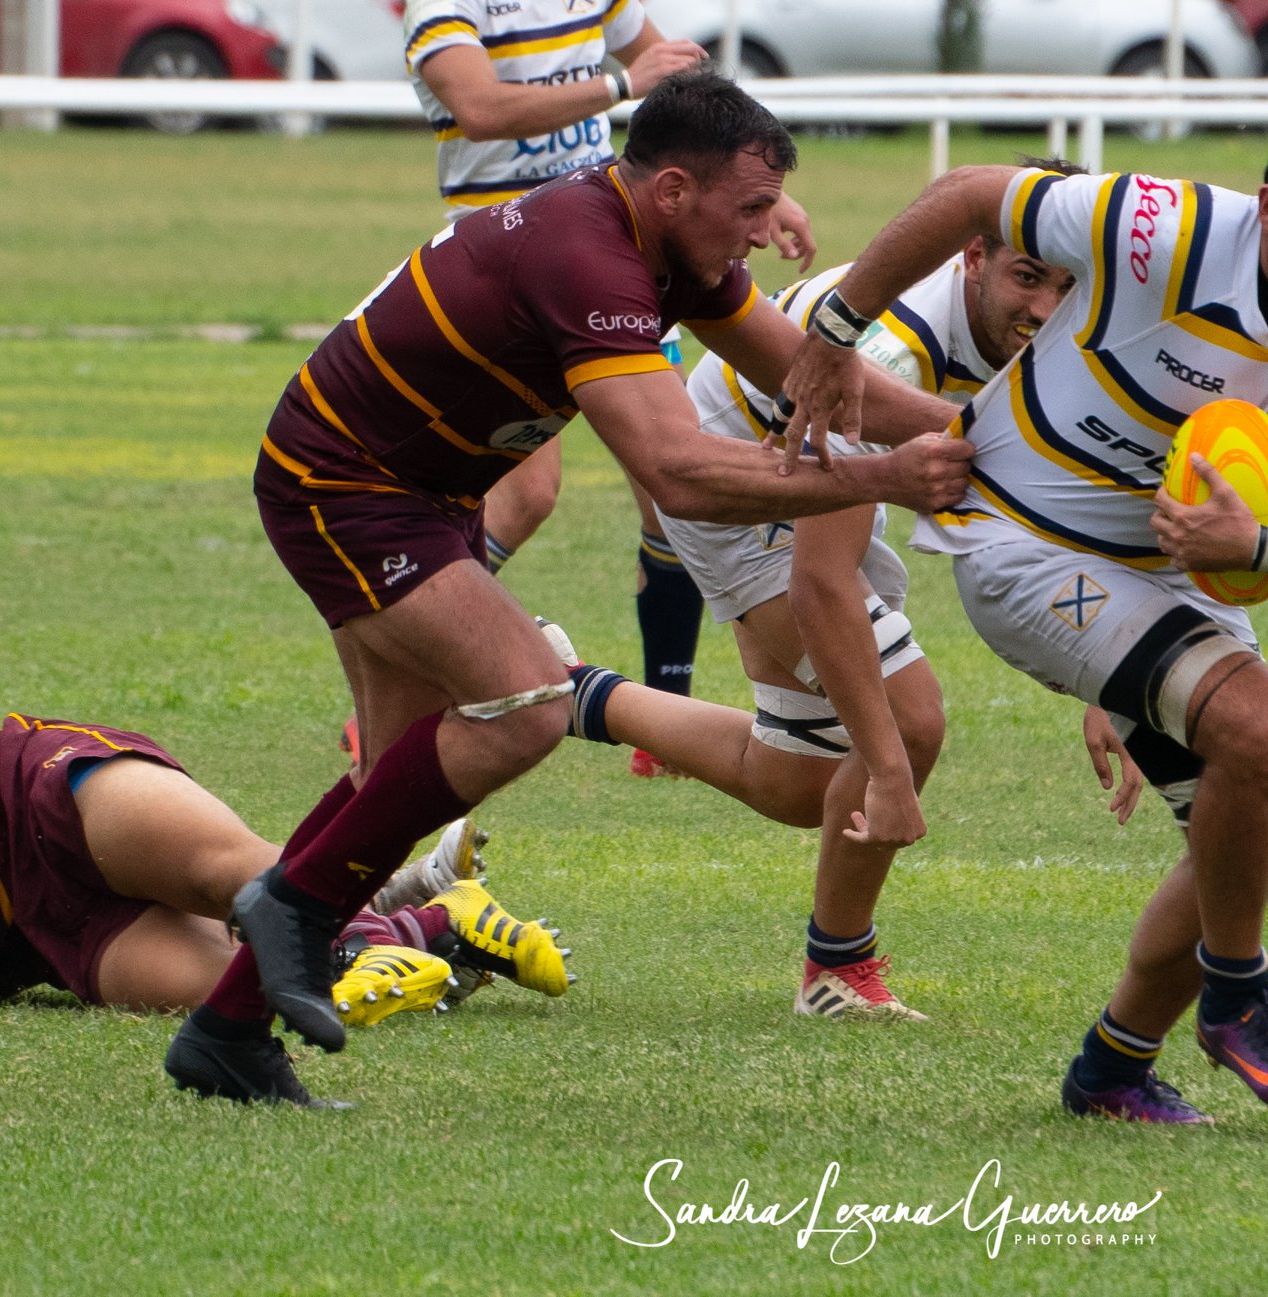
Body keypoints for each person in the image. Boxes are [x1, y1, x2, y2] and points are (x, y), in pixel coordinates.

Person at [169, 70, 971, 1105]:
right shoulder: (586, 252)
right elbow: (674, 470)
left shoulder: (671, 245)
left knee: (398, 777)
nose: (771, 230)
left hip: (423, 488)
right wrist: (881, 476)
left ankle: (228, 1029)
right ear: (674, 191)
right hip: (345, 481)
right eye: (753, 207)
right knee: (521, 704)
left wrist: (983, 438)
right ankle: (291, 900)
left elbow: (801, 374)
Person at [780, 83, 1268, 1122]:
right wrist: (834, 328)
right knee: (1257, 725)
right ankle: (1237, 996)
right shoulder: (1167, 230)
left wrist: (1261, 547)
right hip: (1024, 540)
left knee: (1252, 848)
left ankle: (1111, 1071)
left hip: (1177, 567)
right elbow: (970, 195)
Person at [652, 220, 1144, 1019]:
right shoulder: (885, 357)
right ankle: (836, 969)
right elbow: (819, 581)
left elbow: (1069, 502)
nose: (1046, 307)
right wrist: (887, 770)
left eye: (1067, 287)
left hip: (818, 464)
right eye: (1027, 278)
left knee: (795, 780)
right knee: (904, 722)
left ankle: (563, 689)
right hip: (742, 484)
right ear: (972, 258)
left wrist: (1109, 677)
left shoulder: (1073, 341)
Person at [403, 2, 820, 777]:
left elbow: (691, 102)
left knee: (667, 489)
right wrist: (620, 82)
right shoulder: (446, 9)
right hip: (515, 276)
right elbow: (480, 108)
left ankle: (664, 717)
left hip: (628, 257)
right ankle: (418, 674)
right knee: (527, 495)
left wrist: (756, 190)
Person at [0, 715, 573, 1107]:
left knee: (230, 873)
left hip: (23, 795)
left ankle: (372, 927)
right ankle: (441, 920)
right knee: (234, 984)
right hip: (47, 933)